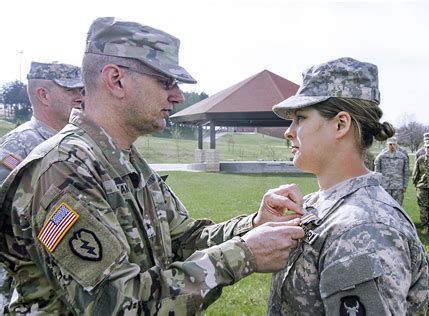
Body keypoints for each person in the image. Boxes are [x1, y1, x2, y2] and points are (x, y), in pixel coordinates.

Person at [0, 17, 305, 315]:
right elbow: (119, 305)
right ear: (116, 79)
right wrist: (244, 254)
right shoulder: (63, 169)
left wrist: (253, 225)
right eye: (165, 82)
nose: (178, 95)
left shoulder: (125, 159)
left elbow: (183, 239)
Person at [267, 57, 429, 315]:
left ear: (340, 125)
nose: (288, 132)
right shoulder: (319, 204)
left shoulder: (365, 229)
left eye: (300, 118)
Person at [0, 61, 83, 313]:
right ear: (43, 95)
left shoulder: (74, 142)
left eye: (82, 90)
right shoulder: (20, 145)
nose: (80, 96)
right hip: (27, 288)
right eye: (71, 90)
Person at [374, 136, 409, 205]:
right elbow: (377, 171)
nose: (392, 146)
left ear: (396, 145)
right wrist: (378, 184)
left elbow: (406, 172)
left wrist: (405, 185)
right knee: (385, 207)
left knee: (398, 207)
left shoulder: (402, 157)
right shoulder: (381, 156)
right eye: (390, 144)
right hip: (385, 186)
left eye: (394, 144)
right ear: (387, 145)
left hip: (398, 187)